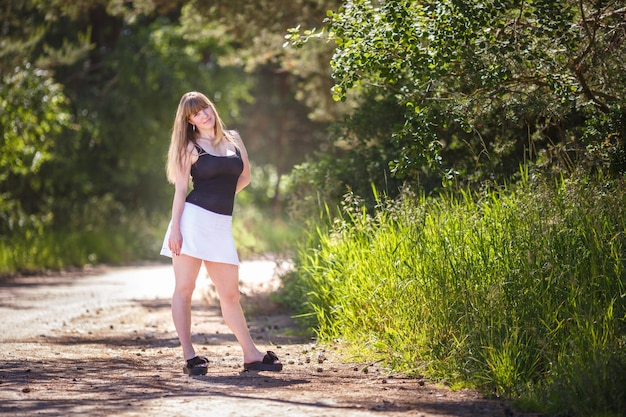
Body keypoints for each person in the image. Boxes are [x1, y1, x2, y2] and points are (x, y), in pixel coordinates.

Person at [160, 91, 282, 376]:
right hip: (192, 222)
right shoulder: (189, 148)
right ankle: (189, 355)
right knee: (185, 289)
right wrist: (175, 228)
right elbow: (180, 191)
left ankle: (251, 355)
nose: (204, 115)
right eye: (196, 113)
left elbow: (246, 177)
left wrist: (222, 197)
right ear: (189, 120)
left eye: (205, 108)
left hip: (220, 226)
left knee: (230, 294)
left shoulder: (233, 139)